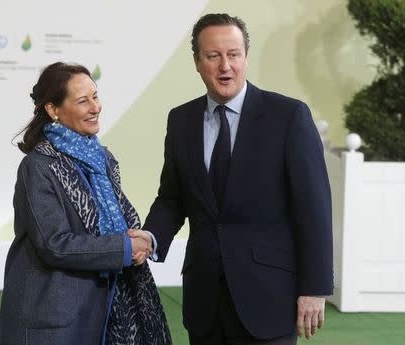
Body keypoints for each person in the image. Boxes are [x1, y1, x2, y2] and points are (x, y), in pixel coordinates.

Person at [130, 13, 333, 345]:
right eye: (213, 56)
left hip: (269, 299)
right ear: (197, 62)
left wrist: (315, 288)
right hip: (205, 301)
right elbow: (172, 197)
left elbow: (314, 209)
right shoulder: (181, 121)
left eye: (234, 55)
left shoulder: (289, 117)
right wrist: (151, 236)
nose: (226, 65)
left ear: (245, 58)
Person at [0, 62, 172, 345]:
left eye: (95, 96)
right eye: (82, 101)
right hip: (60, 320)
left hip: (113, 309)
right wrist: (125, 248)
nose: (95, 107)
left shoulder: (103, 159)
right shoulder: (38, 166)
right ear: (53, 110)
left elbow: (123, 219)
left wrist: (139, 242)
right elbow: (55, 244)